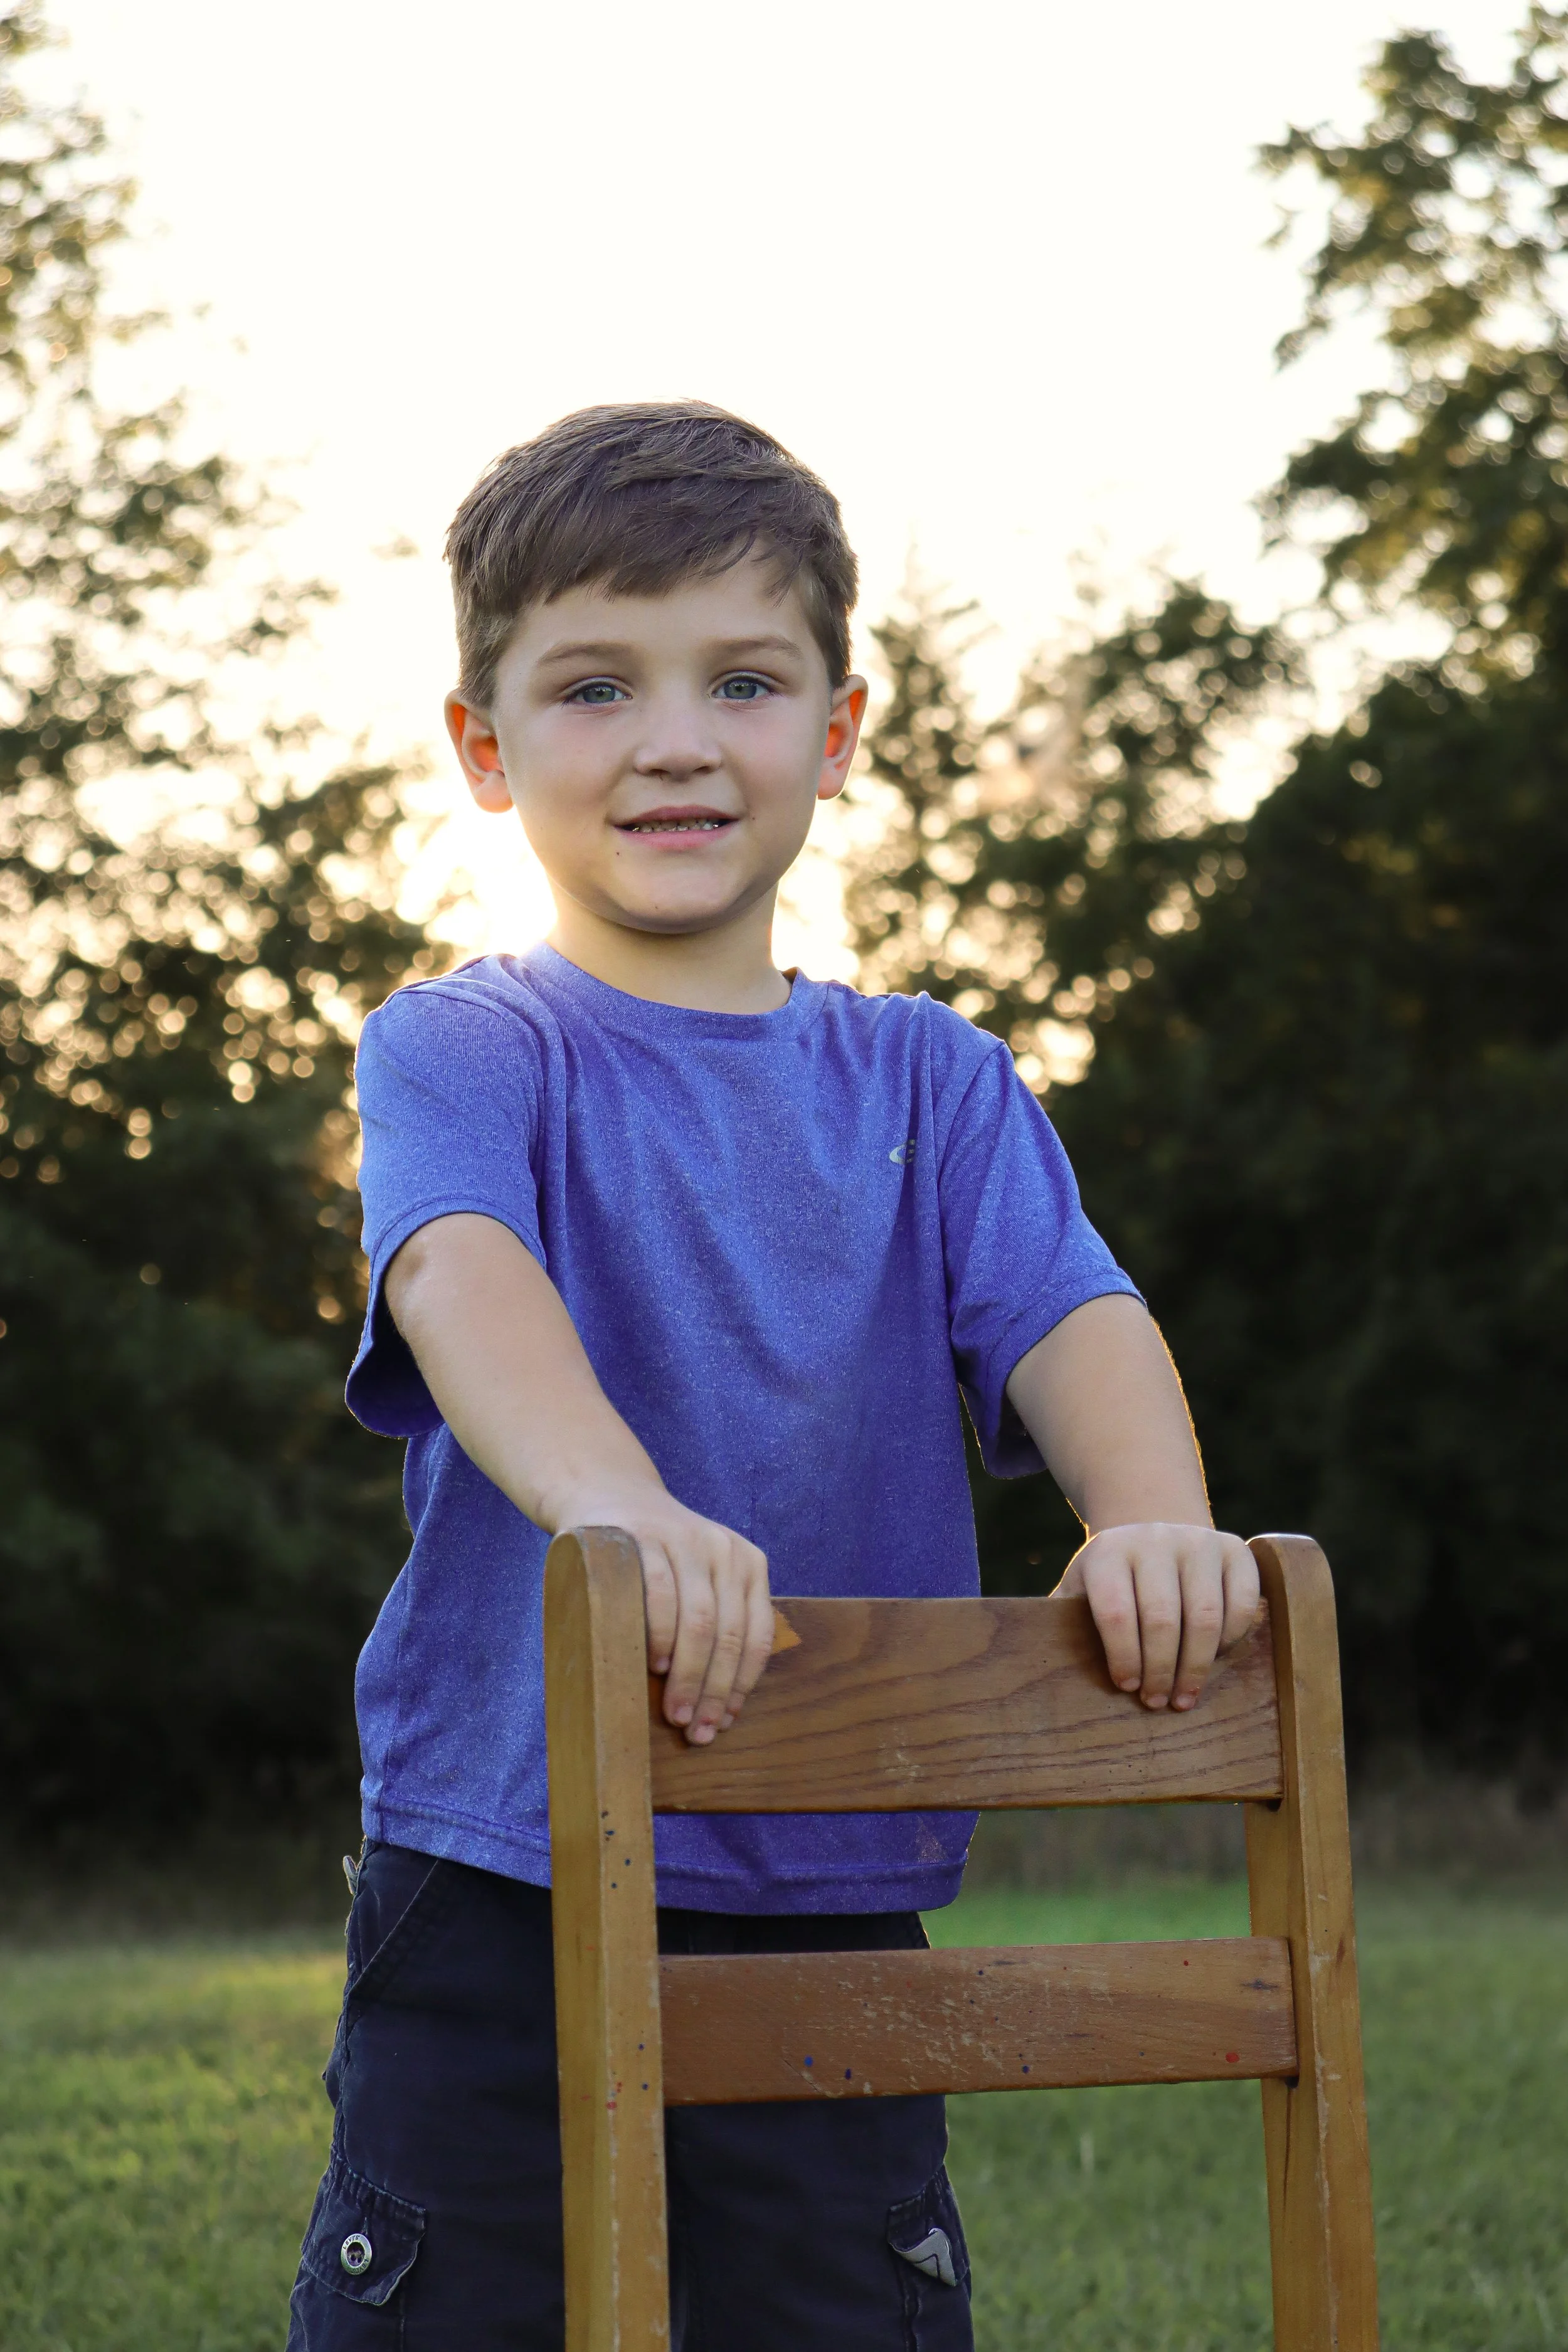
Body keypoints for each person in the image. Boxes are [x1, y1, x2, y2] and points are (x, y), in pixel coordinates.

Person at [285, 401, 1260, 2351]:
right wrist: (620, 1504)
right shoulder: (466, 1049)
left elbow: (1073, 1313)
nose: (672, 738)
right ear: (482, 747)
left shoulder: (934, 1079)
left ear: (834, 730)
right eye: (592, 683)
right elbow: (460, 1273)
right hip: (505, 1869)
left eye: (741, 677)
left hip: (833, 1859)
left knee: (833, 2316)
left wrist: (1150, 1514)